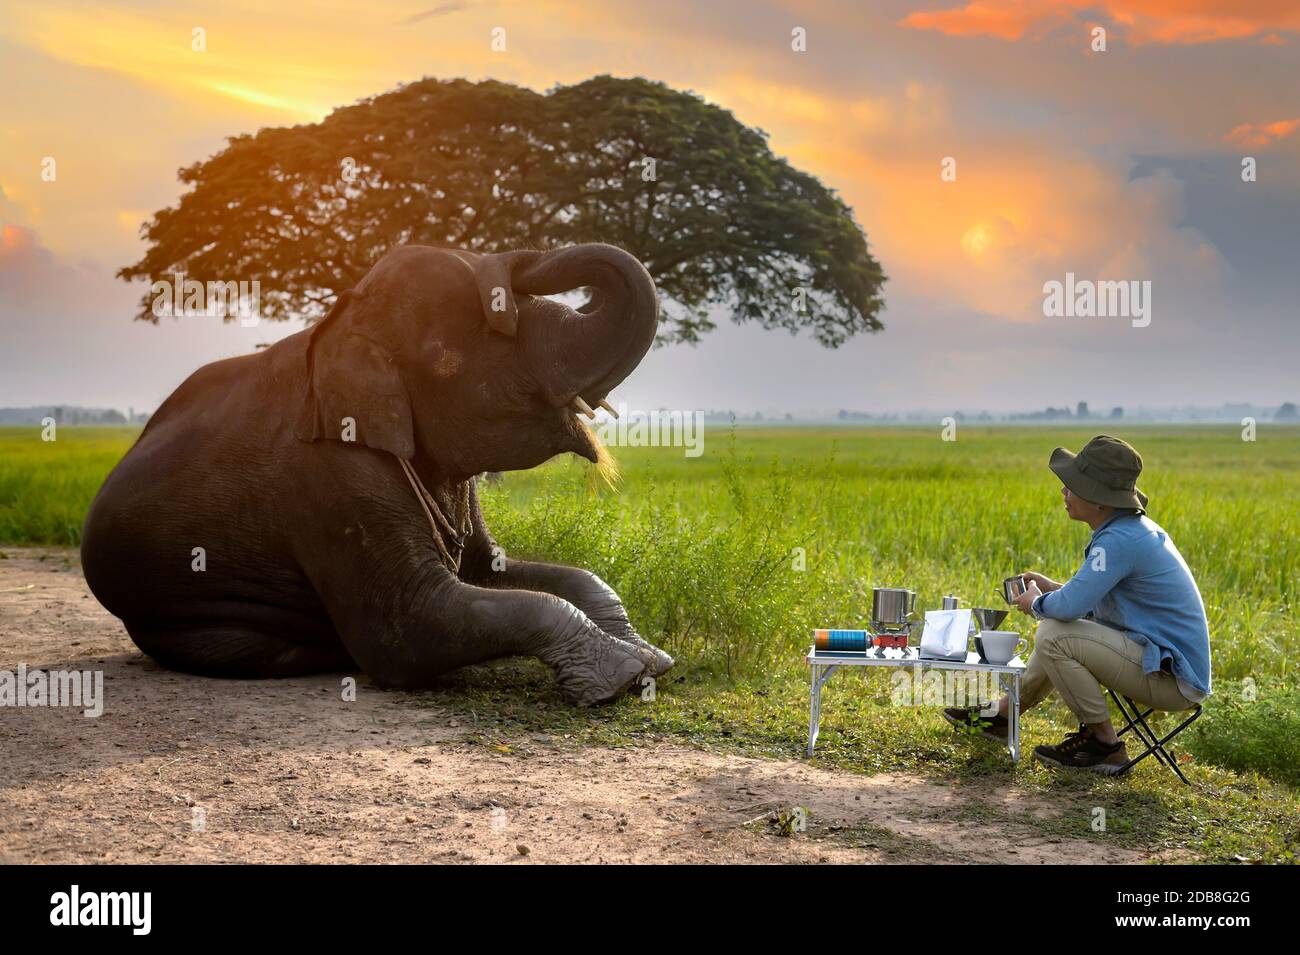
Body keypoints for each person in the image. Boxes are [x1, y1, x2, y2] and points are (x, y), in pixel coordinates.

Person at [945, 435, 1212, 774]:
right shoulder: (1128, 532)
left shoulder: (1118, 540)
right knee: (1058, 628)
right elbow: (1089, 603)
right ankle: (1003, 715)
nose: (1064, 492)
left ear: (1099, 499)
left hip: (1171, 680)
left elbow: (1068, 609)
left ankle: (1104, 745)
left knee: (1055, 632)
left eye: (1072, 485)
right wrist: (1051, 589)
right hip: (1156, 662)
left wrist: (1037, 602)